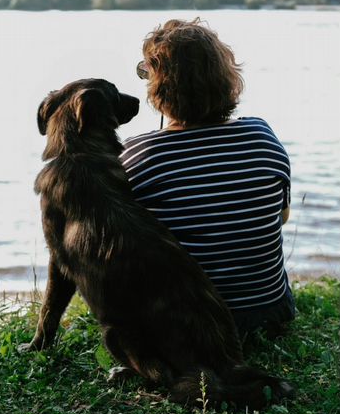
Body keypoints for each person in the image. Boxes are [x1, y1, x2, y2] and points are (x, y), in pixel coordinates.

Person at [120, 18, 295, 339]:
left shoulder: (138, 156)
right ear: (226, 78)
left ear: (158, 86)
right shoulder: (262, 136)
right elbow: (280, 218)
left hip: (187, 323)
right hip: (267, 309)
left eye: (147, 73)